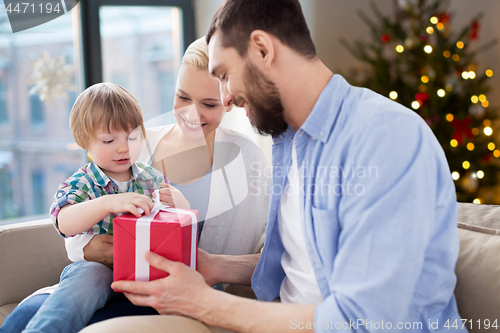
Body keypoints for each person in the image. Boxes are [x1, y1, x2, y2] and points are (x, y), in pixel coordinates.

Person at [81, 0, 466, 332]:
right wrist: (212, 266)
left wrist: (205, 303)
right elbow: (302, 267)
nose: (226, 98)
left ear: (262, 49)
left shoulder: (384, 137)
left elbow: (364, 320)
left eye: (225, 76)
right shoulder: (289, 141)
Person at [1, 38, 270, 331]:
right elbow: (75, 224)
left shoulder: (246, 161)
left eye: (208, 104)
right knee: (28, 313)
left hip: (169, 297)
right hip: (102, 281)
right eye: (182, 96)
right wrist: (87, 248)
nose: (192, 114)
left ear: (230, 101)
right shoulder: (132, 144)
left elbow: (267, 250)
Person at [0, 83, 188, 333]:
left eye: (132, 137)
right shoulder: (82, 182)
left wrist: (182, 205)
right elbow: (63, 221)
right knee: (91, 275)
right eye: (109, 140)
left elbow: (175, 224)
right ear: (84, 142)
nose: (123, 147)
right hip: (98, 272)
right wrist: (106, 203)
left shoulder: (151, 178)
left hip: (145, 272)